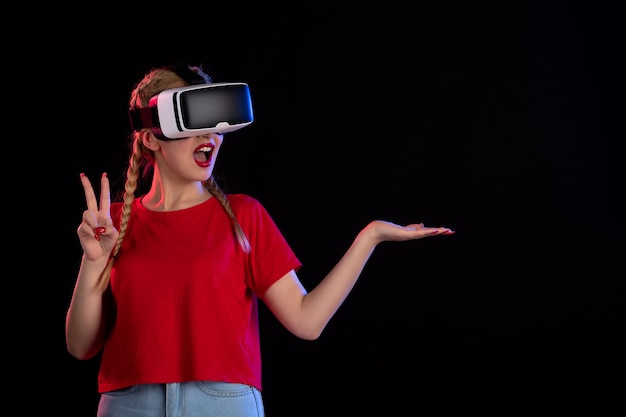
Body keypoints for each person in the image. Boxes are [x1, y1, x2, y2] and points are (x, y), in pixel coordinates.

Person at [65, 63, 455, 417]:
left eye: (216, 125)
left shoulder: (243, 216)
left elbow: (306, 321)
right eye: (195, 124)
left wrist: (369, 237)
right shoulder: (113, 224)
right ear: (152, 138)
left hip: (222, 405)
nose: (211, 138)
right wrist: (94, 260)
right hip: (129, 406)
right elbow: (80, 346)